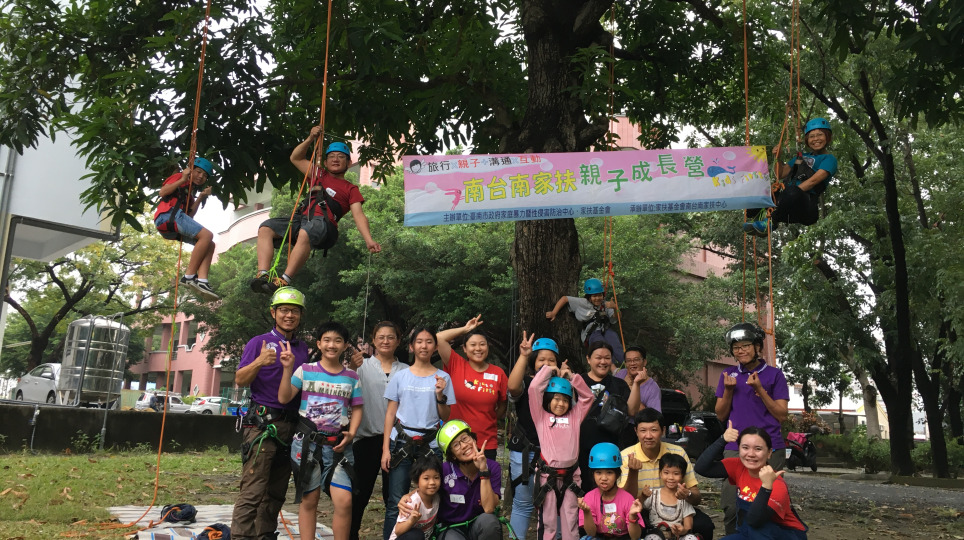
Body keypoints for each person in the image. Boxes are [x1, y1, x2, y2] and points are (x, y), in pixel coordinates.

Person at [250, 126, 381, 293]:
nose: (335, 159)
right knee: (266, 228)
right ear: (325, 162)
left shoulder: (351, 189)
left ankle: (284, 279)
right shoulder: (318, 174)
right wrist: (310, 138)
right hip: (302, 219)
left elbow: (359, 215)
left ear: (348, 163)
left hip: (324, 224)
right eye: (331, 156)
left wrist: (369, 240)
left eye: (341, 157)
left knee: (306, 231)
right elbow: (296, 158)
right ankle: (262, 274)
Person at [230, 287, 308, 540]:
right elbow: (240, 379)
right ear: (273, 313)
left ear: (300, 315)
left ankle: (264, 534)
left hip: (292, 426)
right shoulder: (259, 343)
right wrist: (259, 361)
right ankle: (241, 537)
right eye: (284, 310)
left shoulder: (302, 348)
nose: (289, 315)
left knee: (276, 491)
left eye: (294, 311)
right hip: (263, 425)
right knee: (253, 489)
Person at [278, 321, 363, 540]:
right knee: (309, 500)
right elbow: (284, 397)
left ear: (345, 345)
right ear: (318, 343)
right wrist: (287, 369)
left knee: (344, 501)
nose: (331, 345)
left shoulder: (352, 377)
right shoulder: (305, 370)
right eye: (326, 340)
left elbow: (357, 407)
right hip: (307, 444)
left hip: (338, 446)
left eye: (337, 341)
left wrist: (352, 432)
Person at [381, 327, 456, 540]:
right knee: (396, 501)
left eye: (429, 342)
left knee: (433, 494)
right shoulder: (400, 376)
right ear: (412, 346)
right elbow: (390, 413)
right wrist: (385, 449)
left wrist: (440, 395)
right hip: (401, 442)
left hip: (430, 443)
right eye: (419, 341)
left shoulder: (443, 377)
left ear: (435, 347)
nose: (424, 346)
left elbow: (445, 415)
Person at [715, 323, 790, 535]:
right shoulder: (728, 374)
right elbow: (720, 414)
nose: (740, 351)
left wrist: (760, 389)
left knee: (769, 504)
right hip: (735, 446)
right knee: (732, 505)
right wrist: (728, 390)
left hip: (770, 447)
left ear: (757, 347)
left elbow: (781, 415)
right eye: (736, 347)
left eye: (746, 345)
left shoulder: (775, 375)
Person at [695, 424, 808, 539]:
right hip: (751, 533)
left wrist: (766, 487)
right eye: (745, 448)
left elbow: (755, 520)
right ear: (739, 449)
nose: (751, 454)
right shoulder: (738, 466)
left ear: (769, 453)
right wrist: (722, 439)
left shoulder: (777, 484)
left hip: (783, 535)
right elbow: (701, 468)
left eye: (758, 449)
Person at [348, 322, 407, 540]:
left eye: (391, 337)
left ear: (398, 341)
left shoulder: (407, 370)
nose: (385, 341)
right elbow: (346, 389)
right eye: (380, 337)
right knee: (359, 495)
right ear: (373, 340)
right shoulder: (361, 366)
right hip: (366, 439)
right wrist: (352, 368)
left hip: (397, 442)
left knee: (394, 497)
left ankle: (393, 536)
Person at [399, 420, 504, 540]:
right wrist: (407, 497)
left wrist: (483, 470)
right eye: (456, 445)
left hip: (478, 524)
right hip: (451, 528)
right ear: (452, 455)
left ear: (474, 439)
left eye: (465, 438)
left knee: (489, 522)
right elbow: (426, 488)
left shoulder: (492, 467)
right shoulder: (444, 470)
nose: (464, 446)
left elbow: (489, 508)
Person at [618, 409, 714, 540]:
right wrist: (633, 472)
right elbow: (625, 500)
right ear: (636, 431)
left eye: (654, 430)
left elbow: (696, 497)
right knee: (627, 527)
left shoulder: (677, 452)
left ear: (663, 430)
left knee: (705, 525)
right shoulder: (625, 456)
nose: (648, 436)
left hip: (677, 508)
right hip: (642, 509)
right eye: (643, 430)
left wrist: (687, 494)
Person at [528, 361, 593, 540]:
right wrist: (548, 370)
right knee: (548, 521)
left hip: (571, 477)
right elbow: (533, 389)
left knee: (570, 520)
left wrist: (572, 377)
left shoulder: (575, 416)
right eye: (556, 399)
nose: (561, 404)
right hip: (547, 476)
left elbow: (588, 397)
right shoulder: (541, 417)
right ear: (548, 399)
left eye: (565, 400)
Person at [744, 118, 837, 236]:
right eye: (811, 136)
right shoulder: (801, 157)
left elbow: (813, 181)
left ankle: (771, 221)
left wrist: (785, 196)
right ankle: (757, 219)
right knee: (756, 198)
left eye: (820, 135)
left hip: (806, 206)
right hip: (788, 201)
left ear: (827, 137)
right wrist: (778, 157)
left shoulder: (829, 159)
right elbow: (781, 174)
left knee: (792, 191)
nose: (815, 139)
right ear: (807, 140)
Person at [506, 333, 559, 539]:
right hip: (525, 451)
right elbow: (512, 387)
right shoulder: (526, 383)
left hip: (554, 454)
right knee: (523, 503)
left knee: (555, 503)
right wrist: (523, 355)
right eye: (541, 359)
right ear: (533, 363)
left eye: (551, 360)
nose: (546, 363)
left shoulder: (563, 387)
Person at [436, 315, 508, 460]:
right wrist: (465, 329)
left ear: (487, 347)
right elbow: (439, 338)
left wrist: (489, 420)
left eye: (482, 344)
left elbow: (503, 404)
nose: (478, 348)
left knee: (485, 475)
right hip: (457, 443)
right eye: (473, 345)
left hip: (486, 443)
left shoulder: (498, 373)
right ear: (465, 348)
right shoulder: (456, 364)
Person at [578, 341, 641, 493]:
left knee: (610, 491)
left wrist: (637, 384)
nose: (603, 361)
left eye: (607, 358)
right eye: (598, 357)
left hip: (612, 448)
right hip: (582, 449)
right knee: (584, 491)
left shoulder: (619, 384)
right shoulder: (578, 382)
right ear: (588, 359)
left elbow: (632, 411)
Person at [153, 156, 218, 301]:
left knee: (210, 244)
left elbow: (189, 216)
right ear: (191, 170)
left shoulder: (189, 193)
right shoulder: (179, 177)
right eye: (198, 172)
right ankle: (188, 276)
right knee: (207, 235)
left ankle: (202, 280)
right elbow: (162, 192)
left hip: (172, 226)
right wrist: (182, 178)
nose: (201, 176)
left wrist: (201, 196)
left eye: (204, 175)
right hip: (166, 216)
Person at [546, 278, 624, 365]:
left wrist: (615, 307)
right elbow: (565, 299)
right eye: (594, 296)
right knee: (601, 348)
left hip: (605, 330)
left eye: (600, 295)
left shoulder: (605, 304)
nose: (597, 298)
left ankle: (626, 365)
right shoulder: (582, 303)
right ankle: (613, 368)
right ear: (589, 297)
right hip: (592, 333)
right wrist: (553, 313)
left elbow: (617, 317)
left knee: (615, 344)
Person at [577, 442, 644, 540]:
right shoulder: (589, 498)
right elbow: (591, 533)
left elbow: (635, 536)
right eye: (598, 473)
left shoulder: (627, 498)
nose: (604, 478)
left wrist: (632, 517)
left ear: (617, 474)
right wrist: (587, 512)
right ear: (593, 474)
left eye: (609, 472)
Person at [640, 454, 699, 540]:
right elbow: (636, 508)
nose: (671, 477)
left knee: (691, 538)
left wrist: (682, 531)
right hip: (656, 535)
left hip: (677, 537)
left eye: (676, 474)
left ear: (682, 476)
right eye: (666, 473)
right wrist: (643, 497)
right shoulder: (653, 495)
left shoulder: (684, 498)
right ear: (660, 473)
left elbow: (688, 527)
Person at [613, 346, 661, 448]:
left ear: (644, 362)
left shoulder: (653, 388)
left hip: (633, 430)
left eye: (636, 360)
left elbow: (652, 417)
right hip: (614, 424)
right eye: (629, 361)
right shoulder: (621, 375)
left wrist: (631, 388)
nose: (632, 364)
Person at [389, 454, 444, 540]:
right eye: (426, 478)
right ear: (416, 481)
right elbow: (398, 531)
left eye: (436, 477)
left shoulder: (437, 497)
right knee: (416, 535)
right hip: (405, 538)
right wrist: (411, 521)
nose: (432, 482)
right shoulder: (411, 503)